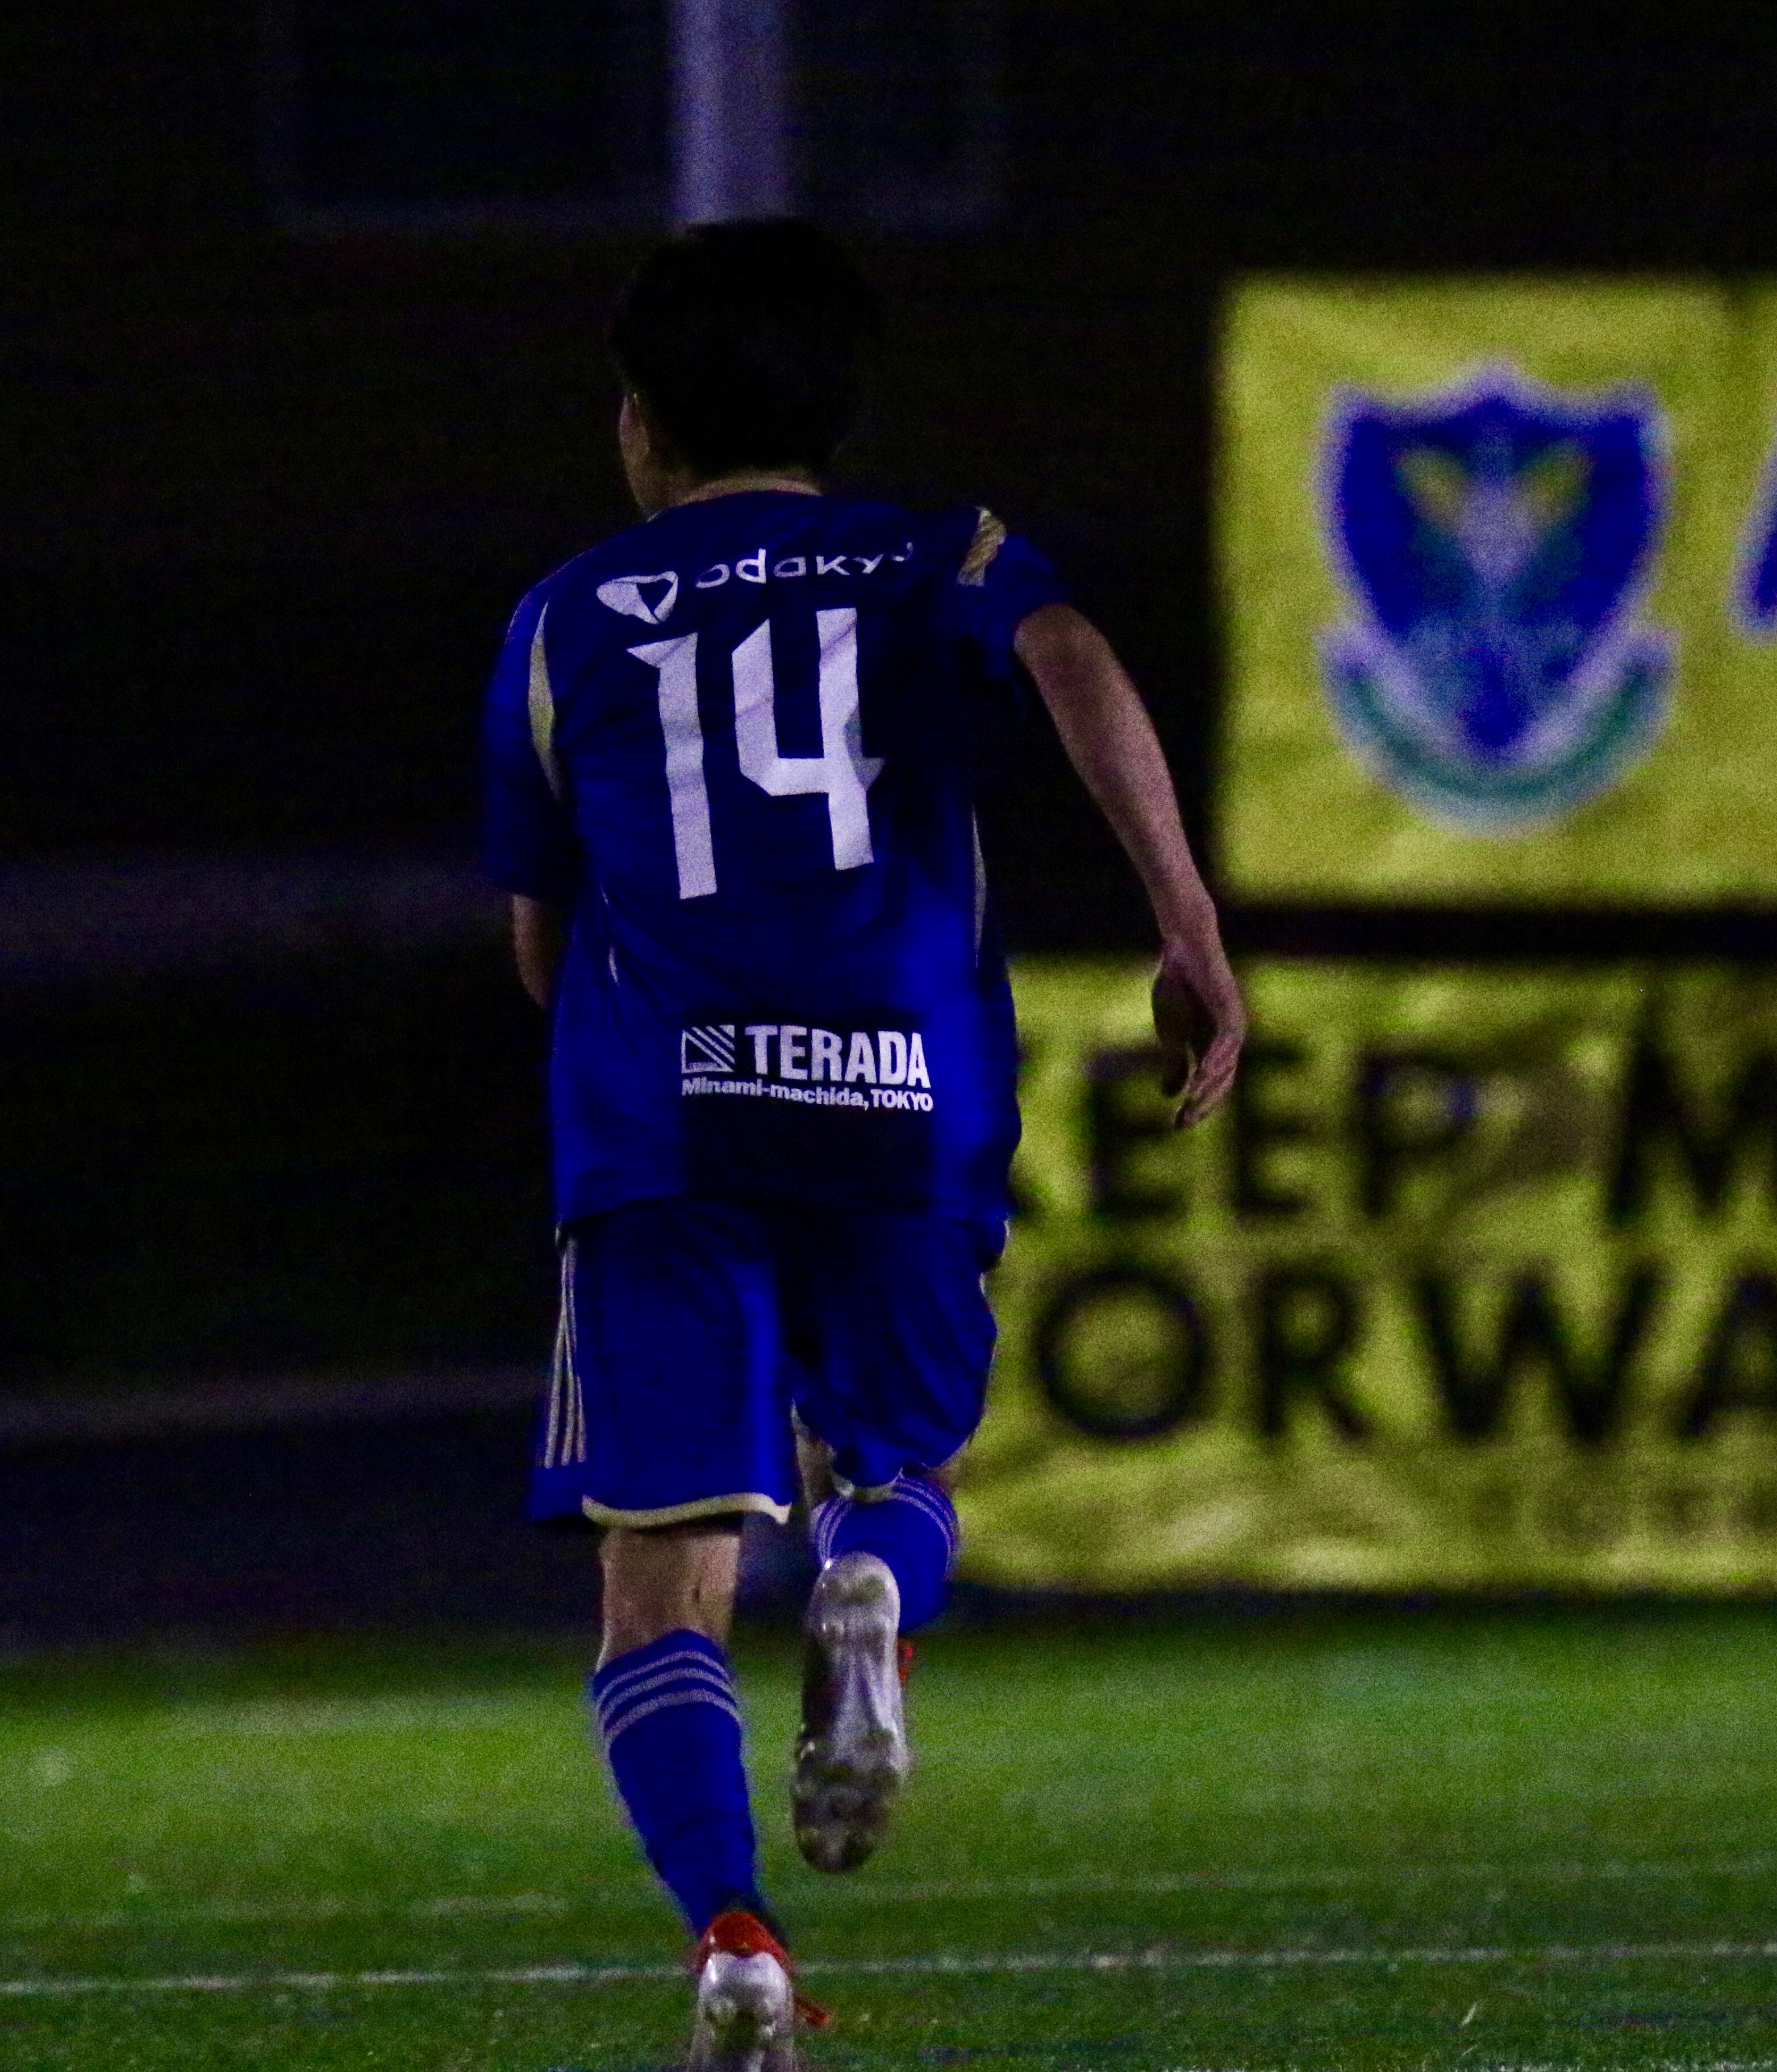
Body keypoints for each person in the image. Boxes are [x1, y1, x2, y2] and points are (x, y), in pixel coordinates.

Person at [479, 222, 1242, 2070]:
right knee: (898, 1462)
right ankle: (877, 1593)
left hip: (669, 1119)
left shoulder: (565, 618)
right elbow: (1070, 653)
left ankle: (737, 1944)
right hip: (902, 1085)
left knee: (658, 1578)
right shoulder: (937, 552)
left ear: (643, 422)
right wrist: (1185, 919)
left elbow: (539, 944)